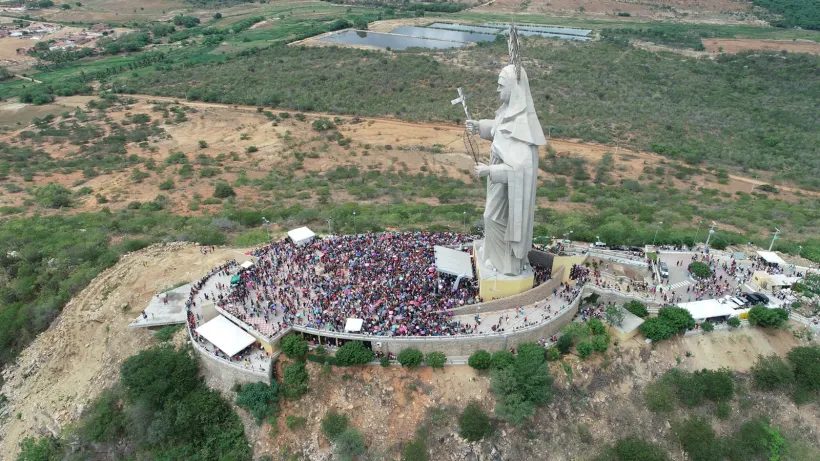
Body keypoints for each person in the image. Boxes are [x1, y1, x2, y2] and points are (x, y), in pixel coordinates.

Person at [467, 64, 546, 276]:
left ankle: (504, 263)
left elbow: (519, 168)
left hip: (505, 187)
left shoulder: (523, 126)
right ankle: (493, 255)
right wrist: (479, 126)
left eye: (501, 85)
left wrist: (489, 171)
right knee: (489, 217)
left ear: (515, 88)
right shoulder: (509, 116)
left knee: (493, 218)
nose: (497, 90)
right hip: (496, 184)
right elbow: (500, 129)